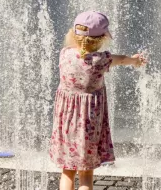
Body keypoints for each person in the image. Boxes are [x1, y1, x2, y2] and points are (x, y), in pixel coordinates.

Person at [49, 11, 146, 190]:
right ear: (101, 38)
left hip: (66, 122)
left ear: (73, 34)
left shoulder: (65, 54)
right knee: (85, 173)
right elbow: (123, 60)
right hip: (89, 124)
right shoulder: (100, 60)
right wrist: (135, 60)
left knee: (67, 170)